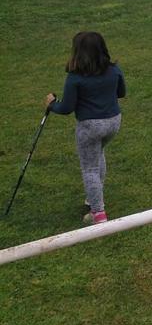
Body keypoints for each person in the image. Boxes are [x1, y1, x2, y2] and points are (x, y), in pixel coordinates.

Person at [44, 31, 124, 225]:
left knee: (90, 168)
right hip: (113, 123)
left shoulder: (75, 78)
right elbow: (121, 92)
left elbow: (66, 108)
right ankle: (94, 196)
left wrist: (51, 104)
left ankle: (98, 213)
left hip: (90, 127)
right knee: (98, 154)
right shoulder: (114, 70)